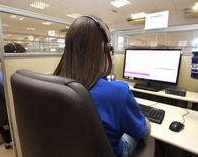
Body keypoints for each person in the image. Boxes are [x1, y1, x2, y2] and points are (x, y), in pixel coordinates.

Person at [54, 16, 149, 157]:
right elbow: (141, 131)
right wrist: (145, 120)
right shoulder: (117, 92)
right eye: (108, 46)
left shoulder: (54, 85)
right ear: (102, 49)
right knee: (140, 131)